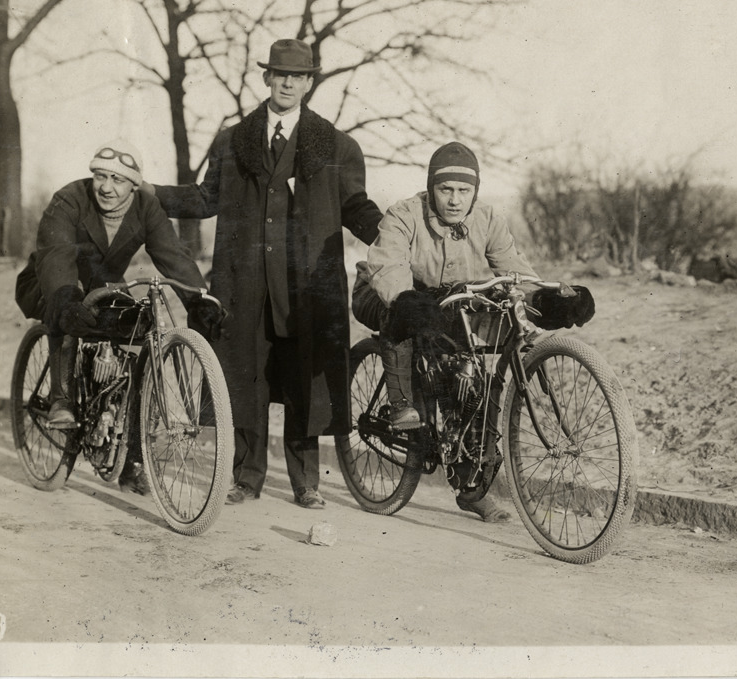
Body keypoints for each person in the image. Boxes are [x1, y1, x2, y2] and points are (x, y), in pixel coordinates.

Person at [141, 39, 383, 510]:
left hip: (307, 287)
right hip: (245, 283)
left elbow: (356, 206)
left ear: (309, 83)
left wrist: (394, 234)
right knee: (246, 373)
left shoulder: (338, 145)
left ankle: (306, 483)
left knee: (303, 380)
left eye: (298, 76)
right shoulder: (233, 140)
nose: (288, 83)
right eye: (280, 74)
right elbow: (206, 198)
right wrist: (151, 192)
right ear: (267, 78)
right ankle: (246, 477)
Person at [351, 141, 595, 522]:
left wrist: (550, 301)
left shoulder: (487, 219)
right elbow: (389, 266)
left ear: (475, 191)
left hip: (446, 300)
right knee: (400, 313)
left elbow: (514, 270)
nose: (454, 200)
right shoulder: (404, 214)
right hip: (381, 291)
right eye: (445, 189)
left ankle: (471, 488)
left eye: (464, 190)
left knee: (468, 377)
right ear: (431, 188)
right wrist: (405, 299)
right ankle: (400, 405)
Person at [14, 139, 221, 495]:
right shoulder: (69, 199)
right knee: (67, 312)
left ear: (134, 185)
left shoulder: (146, 207)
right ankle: (62, 399)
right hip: (48, 280)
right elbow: (56, 254)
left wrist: (197, 298)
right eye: (100, 176)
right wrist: (65, 298)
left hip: (102, 282)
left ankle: (131, 458)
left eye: (118, 179)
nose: (106, 187)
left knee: (139, 331)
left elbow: (172, 254)